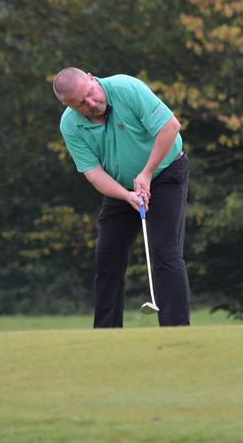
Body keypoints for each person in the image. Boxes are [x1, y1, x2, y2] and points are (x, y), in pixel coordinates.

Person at [53, 67, 191, 327]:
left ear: (91, 78)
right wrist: (126, 195)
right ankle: (106, 333)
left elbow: (170, 127)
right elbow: (94, 173)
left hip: (165, 174)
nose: (91, 103)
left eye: (90, 93)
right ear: (68, 105)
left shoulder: (126, 89)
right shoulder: (70, 125)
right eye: (80, 103)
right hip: (120, 187)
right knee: (108, 258)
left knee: (165, 252)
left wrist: (147, 173)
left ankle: (176, 329)